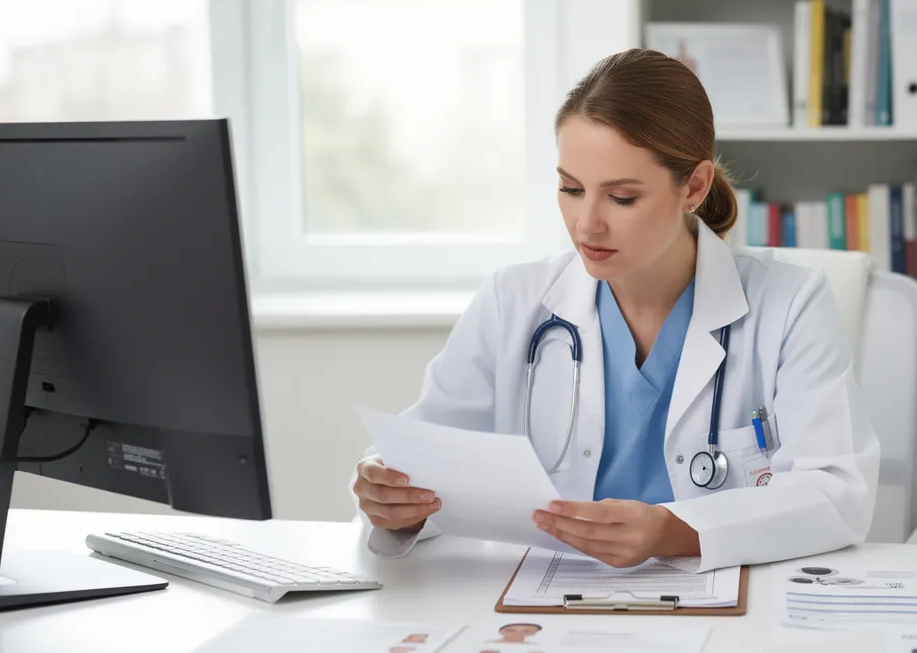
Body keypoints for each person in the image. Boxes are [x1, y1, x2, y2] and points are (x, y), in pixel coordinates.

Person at [351, 48, 880, 572]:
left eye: (622, 198)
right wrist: (396, 506)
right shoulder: (511, 302)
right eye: (571, 189)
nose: (587, 224)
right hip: (544, 613)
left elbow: (836, 492)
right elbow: (427, 460)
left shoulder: (789, 304)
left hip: (727, 614)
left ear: (693, 186)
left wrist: (671, 531)